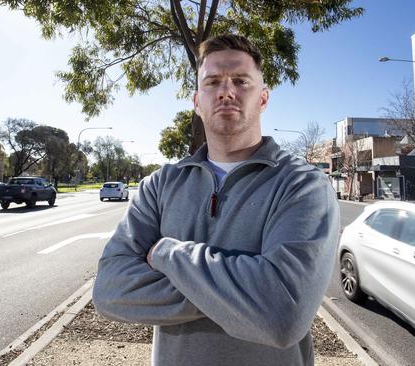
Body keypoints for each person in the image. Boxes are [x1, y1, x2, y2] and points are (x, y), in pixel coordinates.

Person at [93, 34, 340, 366]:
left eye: (241, 81)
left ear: (263, 98)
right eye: (213, 82)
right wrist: (244, 298)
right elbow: (110, 291)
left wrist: (167, 253)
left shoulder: (303, 184)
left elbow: (282, 315)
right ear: (197, 101)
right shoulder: (160, 185)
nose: (226, 91)